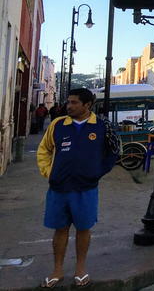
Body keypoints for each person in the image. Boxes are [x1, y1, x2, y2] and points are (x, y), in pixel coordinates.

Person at [36, 88, 119, 288]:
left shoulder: (101, 126)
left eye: (74, 102)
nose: (69, 106)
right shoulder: (58, 124)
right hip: (59, 188)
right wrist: (50, 172)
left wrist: (97, 172)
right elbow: (44, 150)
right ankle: (57, 270)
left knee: (83, 229)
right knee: (60, 229)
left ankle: (80, 269)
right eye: (68, 102)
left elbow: (113, 151)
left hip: (86, 188)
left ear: (87, 105)